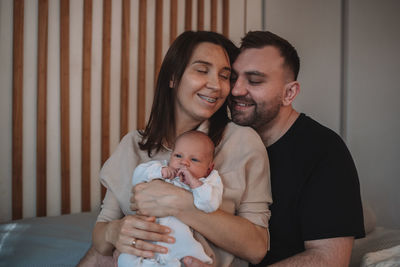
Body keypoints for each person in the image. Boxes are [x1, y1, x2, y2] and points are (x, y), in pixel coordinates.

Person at [78, 30, 272, 267]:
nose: (215, 85)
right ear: (173, 76)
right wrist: (114, 232)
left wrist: (177, 203)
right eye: (202, 70)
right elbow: (102, 230)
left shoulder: (242, 142)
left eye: (224, 76)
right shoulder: (133, 145)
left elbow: (257, 247)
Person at [227, 31, 365, 266]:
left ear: (289, 93)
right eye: (232, 78)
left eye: (255, 80)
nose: (236, 90)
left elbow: (330, 258)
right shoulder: (221, 140)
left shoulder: (324, 151)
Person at [118, 130, 223, 266]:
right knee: (124, 259)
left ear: (209, 168)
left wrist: (194, 183)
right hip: (148, 237)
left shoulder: (209, 182)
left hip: (179, 241)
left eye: (194, 159)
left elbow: (210, 205)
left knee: (189, 257)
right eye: (178, 155)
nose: (184, 162)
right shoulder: (161, 169)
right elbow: (137, 177)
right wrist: (159, 171)